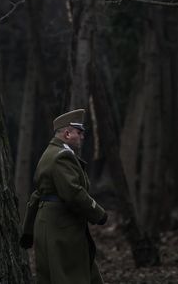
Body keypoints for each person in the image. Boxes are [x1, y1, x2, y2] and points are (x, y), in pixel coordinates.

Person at [23, 108, 107, 284]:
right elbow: (73, 193)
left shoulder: (51, 152)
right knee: (69, 276)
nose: (82, 137)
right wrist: (99, 214)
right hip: (62, 227)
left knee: (56, 276)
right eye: (79, 132)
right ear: (67, 133)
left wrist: (28, 229)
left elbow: (37, 195)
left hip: (50, 224)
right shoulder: (62, 156)